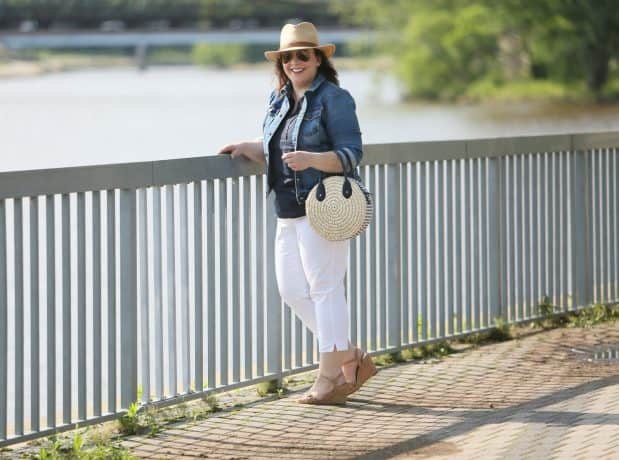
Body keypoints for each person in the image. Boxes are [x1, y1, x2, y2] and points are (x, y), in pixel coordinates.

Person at [218, 21, 376, 405]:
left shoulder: (335, 99)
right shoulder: (279, 99)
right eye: (287, 57)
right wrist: (247, 146)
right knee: (291, 291)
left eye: (303, 55)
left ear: (318, 59)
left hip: (323, 207)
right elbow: (278, 147)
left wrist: (313, 160)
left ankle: (328, 378)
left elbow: (352, 153)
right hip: (286, 210)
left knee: (325, 289)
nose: (294, 62)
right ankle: (350, 356)